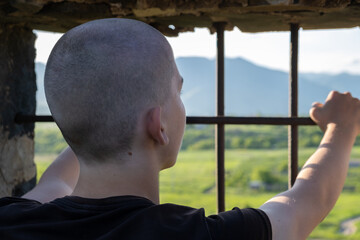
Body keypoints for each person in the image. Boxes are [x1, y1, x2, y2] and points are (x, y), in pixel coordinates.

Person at [0, 18, 359, 240]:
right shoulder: (200, 234)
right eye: (179, 91)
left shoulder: (14, 218)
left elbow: (53, 186)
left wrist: (94, 112)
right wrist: (342, 126)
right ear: (159, 127)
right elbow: (305, 205)